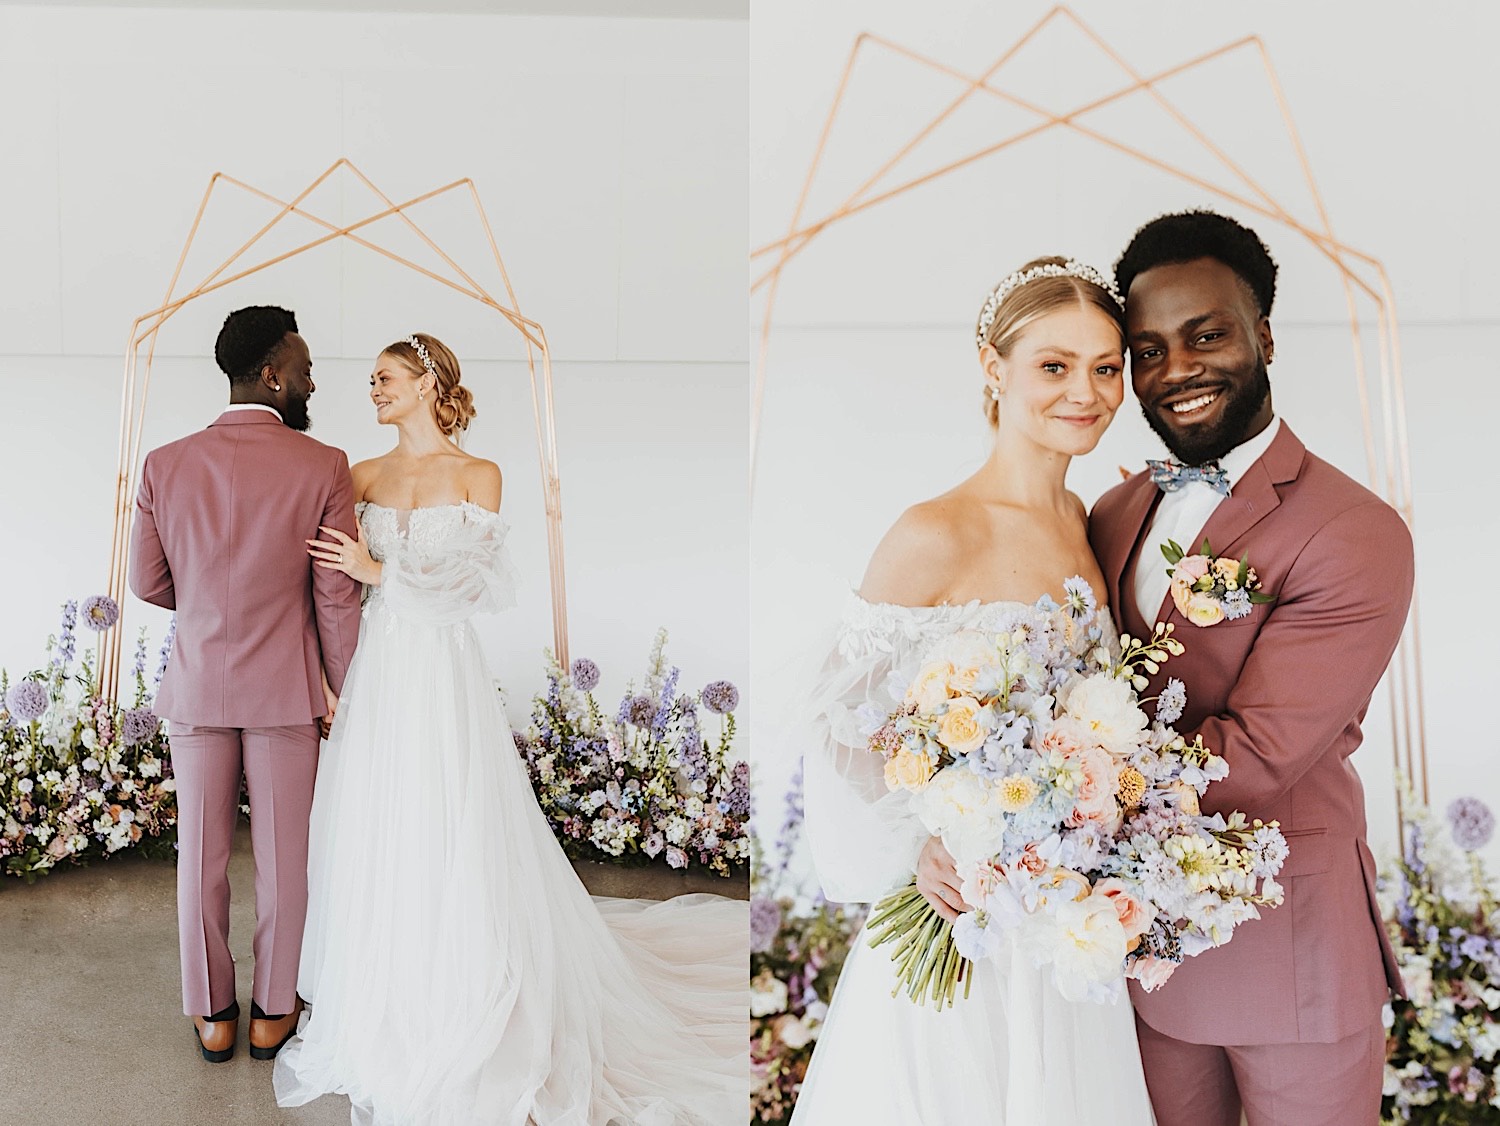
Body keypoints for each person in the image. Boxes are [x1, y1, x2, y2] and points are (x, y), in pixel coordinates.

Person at [272, 333, 746, 1125]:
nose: (374, 391)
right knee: (380, 821)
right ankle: (390, 989)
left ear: (428, 382)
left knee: (452, 815)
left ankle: (469, 985)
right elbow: (326, 589)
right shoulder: (358, 475)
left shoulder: (479, 475)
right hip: (378, 673)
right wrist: (328, 670)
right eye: (371, 382)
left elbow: (473, 586)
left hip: (441, 672)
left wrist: (380, 572)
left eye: (385, 379)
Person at [791, 259, 1156, 1124]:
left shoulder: (1088, 523)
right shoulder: (936, 530)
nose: (1088, 392)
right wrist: (925, 840)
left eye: (1107, 368)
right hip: (966, 917)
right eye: (1055, 366)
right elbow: (839, 714)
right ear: (994, 368)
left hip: (1063, 917)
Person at [1090, 209, 1412, 1126]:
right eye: (1148, 350)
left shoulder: (1356, 531)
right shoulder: (1111, 514)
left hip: (1287, 949)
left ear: (1264, 335)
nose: (1177, 370)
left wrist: (1055, 790)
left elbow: (1264, 747)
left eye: (1207, 335)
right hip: (1132, 947)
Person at [128, 305, 362, 1063]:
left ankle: (213, 1013)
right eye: (303, 368)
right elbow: (334, 593)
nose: (311, 380)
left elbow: (147, 581)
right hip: (286, 694)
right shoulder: (323, 464)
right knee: (284, 860)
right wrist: (347, 688)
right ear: (271, 374)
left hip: (197, 689)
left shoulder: (164, 462)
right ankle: (273, 1012)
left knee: (199, 860)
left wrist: (203, 603)